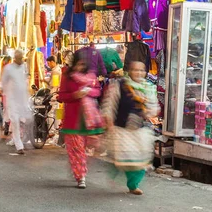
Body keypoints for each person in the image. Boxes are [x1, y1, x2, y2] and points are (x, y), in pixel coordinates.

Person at [102, 61, 159, 195]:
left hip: (140, 130)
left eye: (141, 70)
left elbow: (154, 107)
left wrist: (148, 112)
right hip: (122, 129)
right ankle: (116, 173)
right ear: (129, 71)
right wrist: (108, 120)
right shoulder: (119, 85)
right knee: (124, 157)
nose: (139, 73)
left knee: (141, 159)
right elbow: (110, 104)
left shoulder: (149, 87)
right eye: (135, 70)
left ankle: (133, 185)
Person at [58, 51, 104, 189]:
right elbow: (61, 96)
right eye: (78, 64)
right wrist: (75, 95)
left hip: (89, 119)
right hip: (73, 119)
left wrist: (88, 92)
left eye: (82, 65)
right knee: (76, 149)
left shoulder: (91, 76)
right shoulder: (67, 76)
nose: (79, 67)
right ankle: (81, 176)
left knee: (83, 150)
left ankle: (78, 169)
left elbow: (98, 91)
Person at [1, 50, 31, 155]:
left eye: (22, 58)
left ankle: (16, 139)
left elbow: (25, 80)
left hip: (22, 99)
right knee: (15, 121)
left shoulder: (24, 67)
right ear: (15, 58)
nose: (21, 60)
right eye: (19, 58)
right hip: (12, 100)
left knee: (23, 121)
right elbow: (3, 82)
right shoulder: (8, 68)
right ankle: (19, 146)